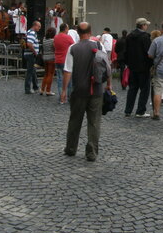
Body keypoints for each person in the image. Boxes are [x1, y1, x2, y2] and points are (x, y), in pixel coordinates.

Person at [62, 22, 111, 162]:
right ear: (90, 32)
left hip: (78, 90)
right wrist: (108, 84)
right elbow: (106, 66)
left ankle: (71, 148)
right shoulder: (98, 46)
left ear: (77, 32)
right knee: (94, 122)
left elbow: (67, 71)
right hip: (96, 89)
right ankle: (92, 152)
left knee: (75, 120)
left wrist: (64, 90)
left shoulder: (73, 48)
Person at [124, 18, 152, 118]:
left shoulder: (129, 36)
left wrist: (128, 64)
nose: (147, 26)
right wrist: (150, 65)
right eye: (146, 25)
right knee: (144, 89)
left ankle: (128, 110)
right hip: (143, 67)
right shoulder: (145, 37)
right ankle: (140, 111)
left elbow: (125, 51)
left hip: (132, 66)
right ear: (143, 25)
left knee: (132, 88)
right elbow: (148, 52)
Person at [54, 24, 74, 103]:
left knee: (59, 79)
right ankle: (69, 96)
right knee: (68, 80)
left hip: (58, 60)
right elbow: (73, 46)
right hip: (66, 60)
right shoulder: (68, 37)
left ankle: (61, 97)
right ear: (65, 29)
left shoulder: (56, 37)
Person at [24, 21, 41, 94]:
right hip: (31, 54)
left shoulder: (28, 32)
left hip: (29, 54)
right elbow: (29, 44)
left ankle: (36, 86)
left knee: (33, 71)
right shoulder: (32, 33)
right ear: (35, 26)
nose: (39, 28)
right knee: (30, 72)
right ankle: (27, 89)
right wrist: (35, 52)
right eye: (39, 26)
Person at [40, 27, 56, 96]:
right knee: (50, 74)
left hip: (45, 57)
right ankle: (48, 90)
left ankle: (42, 89)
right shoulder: (53, 40)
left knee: (46, 74)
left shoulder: (44, 39)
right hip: (51, 58)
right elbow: (54, 48)